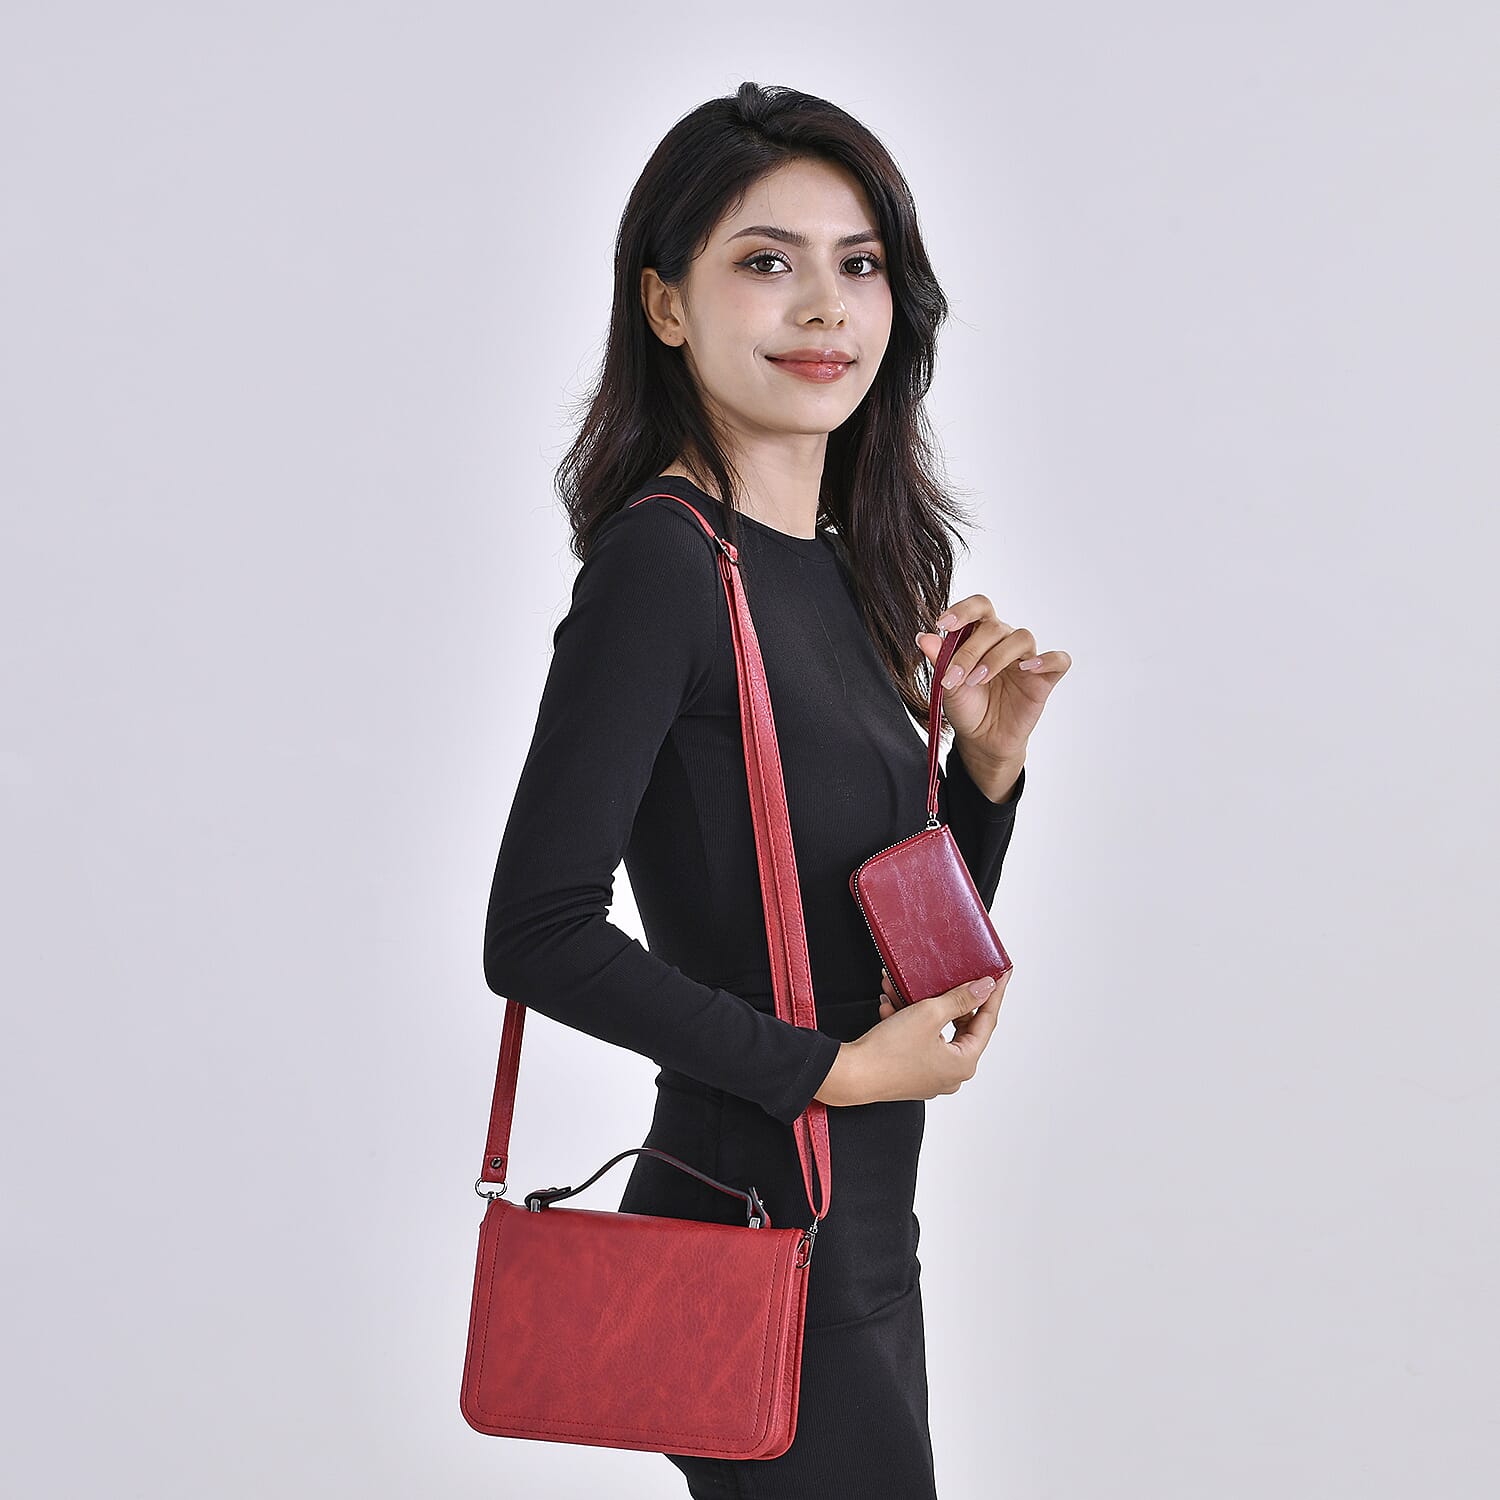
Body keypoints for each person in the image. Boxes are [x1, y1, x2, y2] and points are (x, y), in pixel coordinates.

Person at [483, 80, 1069, 1500]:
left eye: (858, 264)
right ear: (665, 305)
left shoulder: (847, 570)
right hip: (755, 1228)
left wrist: (985, 777)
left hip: (860, 1236)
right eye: (766, 261)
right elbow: (537, 932)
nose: (824, 306)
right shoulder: (664, 566)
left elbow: (871, 947)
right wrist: (835, 1073)